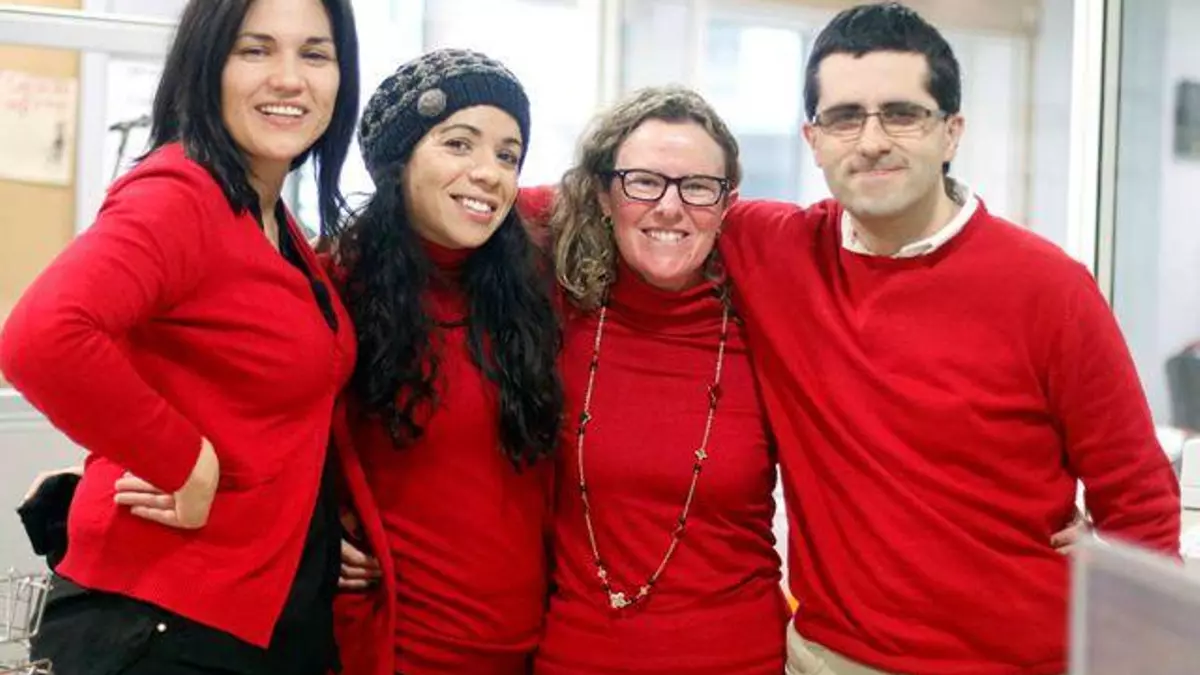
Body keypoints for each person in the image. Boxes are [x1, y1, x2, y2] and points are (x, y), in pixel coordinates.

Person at [712, 4, 1182, 675]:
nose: (872, 140)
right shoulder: (772, 251)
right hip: (832, 660)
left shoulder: (1048, 287)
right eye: (845, 117)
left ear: (951, 131)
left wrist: (1136, 632)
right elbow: (635, 205)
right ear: (812, 139)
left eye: (902, 114)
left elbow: (1138, 497)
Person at [0, 0, 360, 672]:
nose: (289, 78)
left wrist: (309, 529)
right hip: (162, 621)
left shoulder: (272, 221)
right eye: (255, 50)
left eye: (315, 54)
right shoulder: (181, 191)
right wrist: (183, 460)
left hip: (250, 612)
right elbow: (42, 336)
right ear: (207, 63)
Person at [530, 86, 789, 674]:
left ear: (727, 204)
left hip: (741, 658)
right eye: (643, 181)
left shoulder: (766, 326)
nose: (670, 207)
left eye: (697, 186)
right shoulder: (559, 309)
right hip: (577, 656)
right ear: (603, 195)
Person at [328, 49, 564, 675]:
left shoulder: (533, 290)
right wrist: (315, 528)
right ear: (398, 159)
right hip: (392, 648)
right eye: (459, 144)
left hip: (527, 648)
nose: (488, 173)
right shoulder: (335, 290)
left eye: (508, 155)